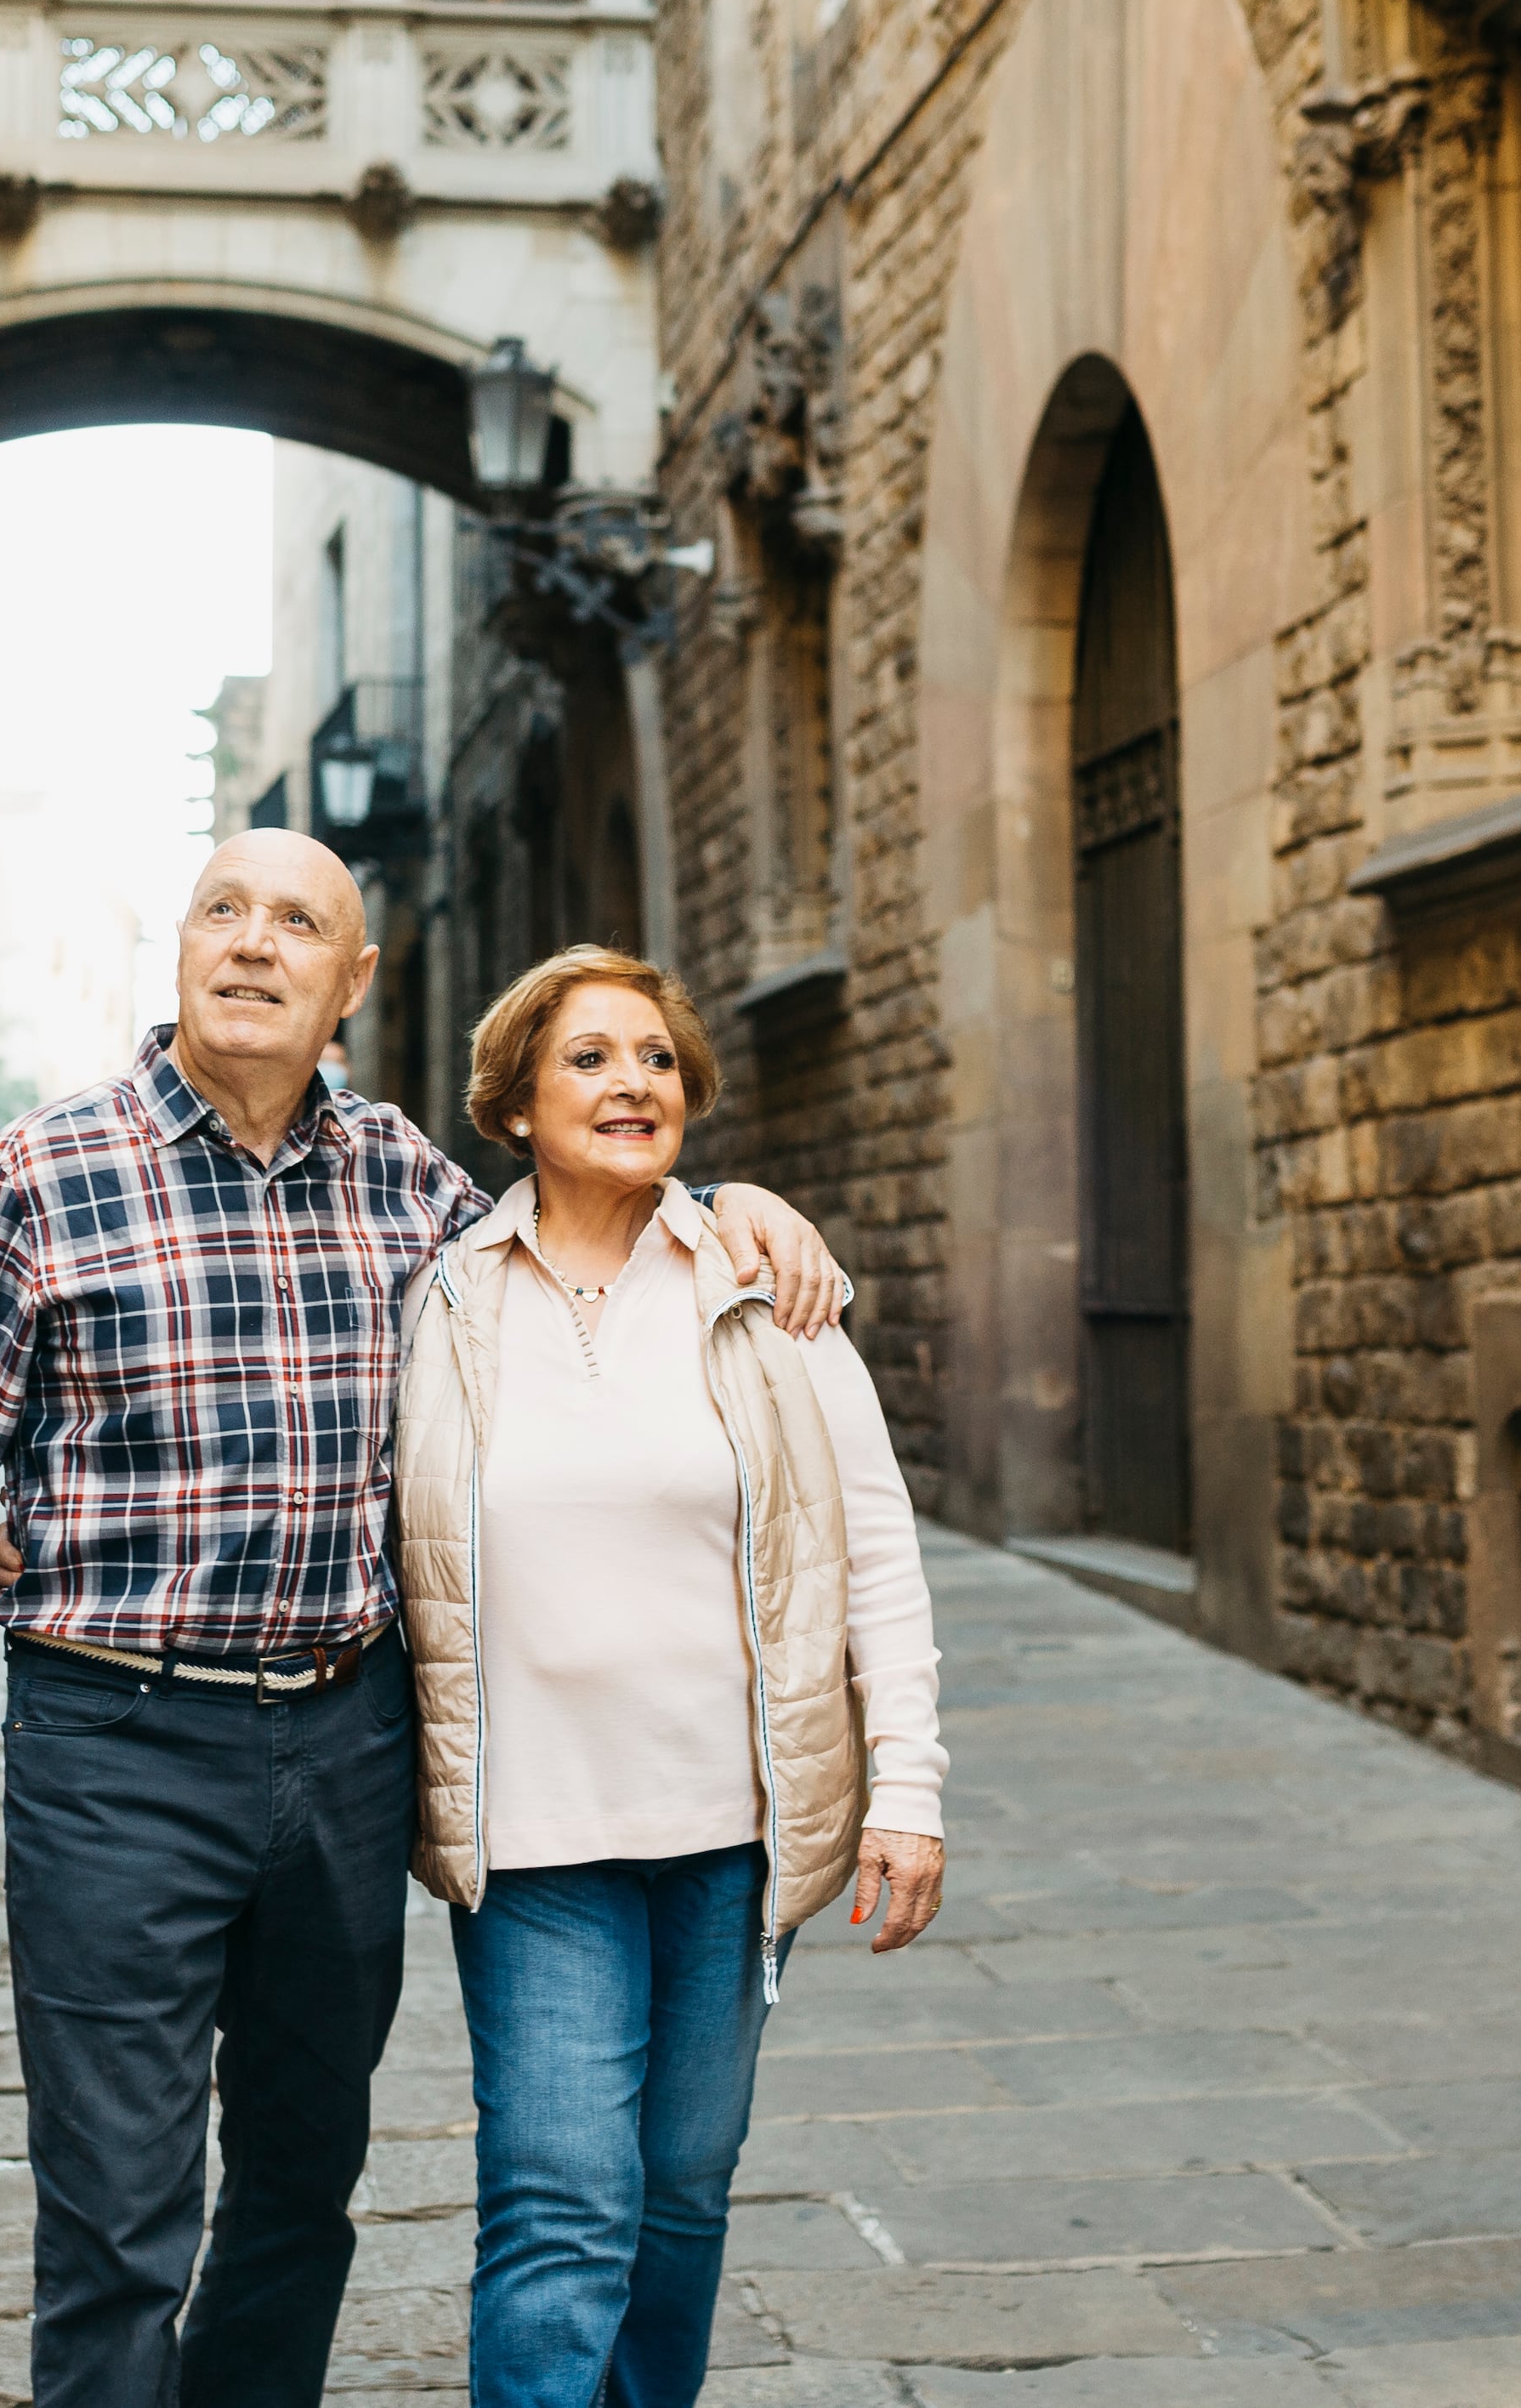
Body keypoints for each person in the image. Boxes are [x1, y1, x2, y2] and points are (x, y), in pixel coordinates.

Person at [0, 832, 846, 2408]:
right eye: (221, 911)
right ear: (178, 952)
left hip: (349, 1741)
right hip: (116, 1743)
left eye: (297, 922)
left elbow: (584, 1222)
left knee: (303, 2184)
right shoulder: (38, 1176)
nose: (251, 945)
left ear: (352, 982)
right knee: (119, 2213)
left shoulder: (406, 1182)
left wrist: (730, 1202)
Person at [394, 945, 947, 2408]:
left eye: (654, 1058)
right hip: (535, 1842)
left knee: (685, 2190)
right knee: (562, 2202)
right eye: (588, 1057)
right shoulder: (439, 1300)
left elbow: (871, 1551)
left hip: (734, 1835)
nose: (631, 1081)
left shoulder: (765, 1287)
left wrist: (911, 1788)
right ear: (513, 1104)